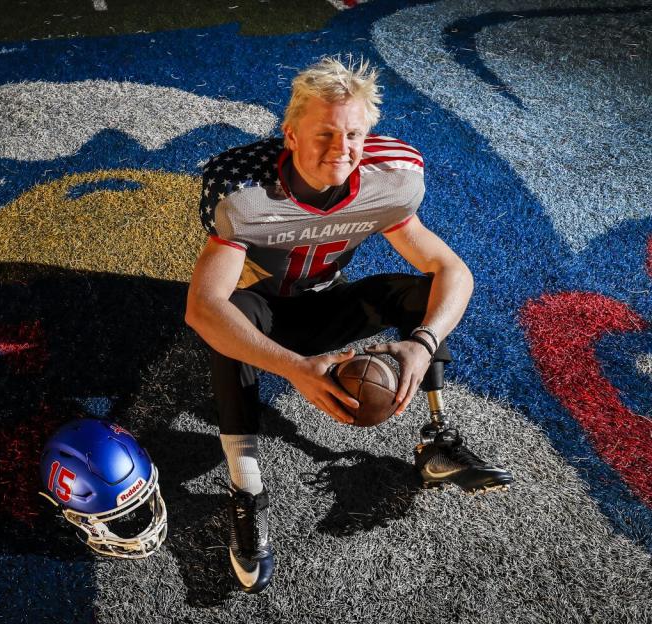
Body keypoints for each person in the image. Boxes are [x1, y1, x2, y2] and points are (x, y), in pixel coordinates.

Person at [184, 56, 513, 594]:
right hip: (261, 313)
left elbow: (451, 269)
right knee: (229, 320)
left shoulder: (393, 178)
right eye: (325, 134)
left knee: (420, 293)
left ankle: (437, 440)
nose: (342, 148)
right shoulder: (241, 186)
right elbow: (202, 306)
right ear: (289, 135)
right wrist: (294, 369)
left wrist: (422, 346)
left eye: (354, 133)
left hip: (327, 303)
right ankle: (247, 487)